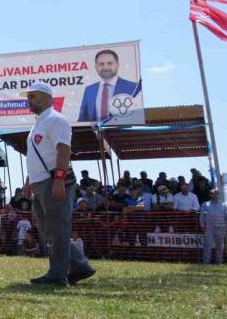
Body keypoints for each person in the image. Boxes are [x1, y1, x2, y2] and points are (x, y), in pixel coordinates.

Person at [23, 82, 96, 287]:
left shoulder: (55, 120)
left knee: (57, 229)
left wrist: (59, 179)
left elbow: (64, 150)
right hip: (41, 182)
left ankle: (57, 275)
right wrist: (29, 181)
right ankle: (80, 266)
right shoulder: (40, 123)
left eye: (33, 96)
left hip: (53, 180)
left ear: (48, 97)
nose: (29, 100)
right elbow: (38, 156)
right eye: (28, 97)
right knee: (49, 230)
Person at [77, 49, 140, 123]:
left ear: (117, 65)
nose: (105, 67)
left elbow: (138, 116)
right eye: (101, 64)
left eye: (109, 63)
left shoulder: (133, 88)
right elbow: (82, 120)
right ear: (96, 67)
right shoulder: (89, 90)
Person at [199, 189, 227, 264]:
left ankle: (219, 262)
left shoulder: (223, 205)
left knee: (220, 246)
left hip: (220, 227)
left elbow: (226, 217)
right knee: (207, 245)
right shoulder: (205, 204)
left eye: (216, 194)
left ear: (218, 195)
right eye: (212, 194)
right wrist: (202, 225)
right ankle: (206, 262)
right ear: (209, 195)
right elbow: (201, 216)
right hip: (209, 228)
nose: (214, 195)